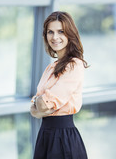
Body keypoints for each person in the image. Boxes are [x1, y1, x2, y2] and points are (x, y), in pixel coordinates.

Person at [30, 11, 88, 159]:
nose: (55, 37)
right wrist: (40, 103)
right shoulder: (51, 68)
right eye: (50, 32)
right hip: (45, 135)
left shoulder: (75, 65)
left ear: (70, 34)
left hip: (63, 138)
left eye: (60, 31)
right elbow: (34, 110)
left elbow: (41, 106)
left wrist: (40, 103)